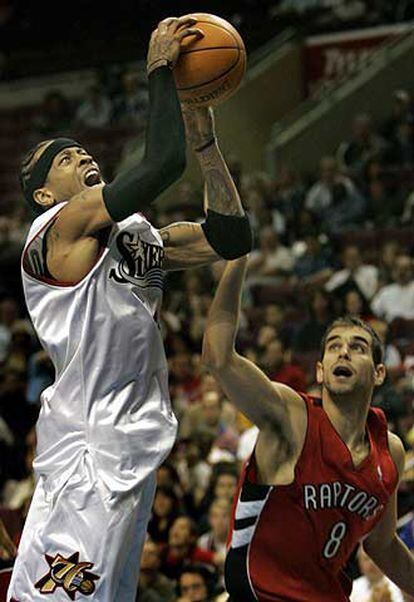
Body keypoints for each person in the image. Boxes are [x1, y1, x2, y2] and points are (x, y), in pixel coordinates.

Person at [8, 16, 252, 602]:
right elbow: (160, 165)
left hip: (133, 444)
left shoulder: (134, 233)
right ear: (45, 193)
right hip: (86, 449)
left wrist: (206, 141)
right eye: (64, 160)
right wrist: (159, 71)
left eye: (83, 151)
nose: (82, 157)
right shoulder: (54, 230)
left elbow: (228, 238)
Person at [202, 257, 414, 601]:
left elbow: (383, 544)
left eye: (357, 347)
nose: (343, 351)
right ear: (320, 370)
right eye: (334, 346)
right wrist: (237, 257)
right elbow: (218, 358)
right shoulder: (292, 416)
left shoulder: (389, 451)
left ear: (378, 373)